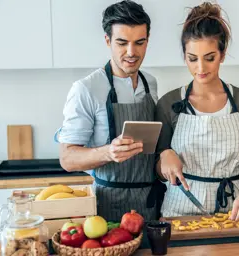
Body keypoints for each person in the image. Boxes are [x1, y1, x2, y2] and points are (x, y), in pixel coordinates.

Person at [155, 2, 239, 221]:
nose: (200, 68)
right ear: (184, 56)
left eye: (209, 58)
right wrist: (164, 156)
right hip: (180, 213)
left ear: (222, 54)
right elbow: (156, 168)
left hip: (234, 211)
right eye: (193, 59)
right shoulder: (169, 103)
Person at [56, 0, 164, 222]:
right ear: (108, 41)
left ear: (148, 41)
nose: (131, 52)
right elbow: (67, 158)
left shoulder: (150, 83)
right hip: (107, 207)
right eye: (122, 43)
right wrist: (108, 152)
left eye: (139, 43)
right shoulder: (86, 89)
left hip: (150, 203)